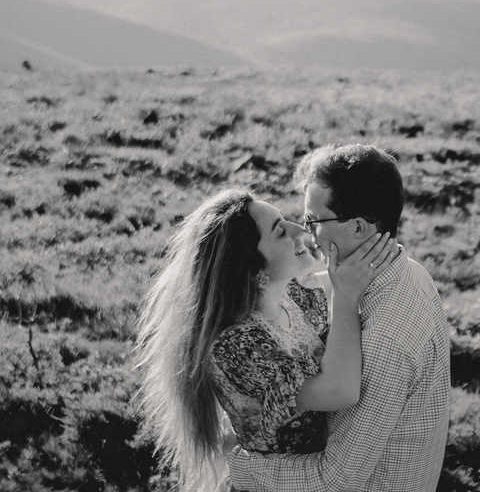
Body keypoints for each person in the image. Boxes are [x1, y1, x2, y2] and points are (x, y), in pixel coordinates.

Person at [134, 187, 398, 492]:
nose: (299, 230)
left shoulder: (291, 293)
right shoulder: (237, 347)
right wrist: (346, 296)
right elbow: (340, 391)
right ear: (252, 268)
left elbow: (341, 281)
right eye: (280, 231)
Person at [228, 144, 452, 492]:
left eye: (314, 221)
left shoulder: (385, 340)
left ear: (359, 228)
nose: (306, 232)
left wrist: (240, 467)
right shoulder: (410, 272)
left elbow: (337, 479)